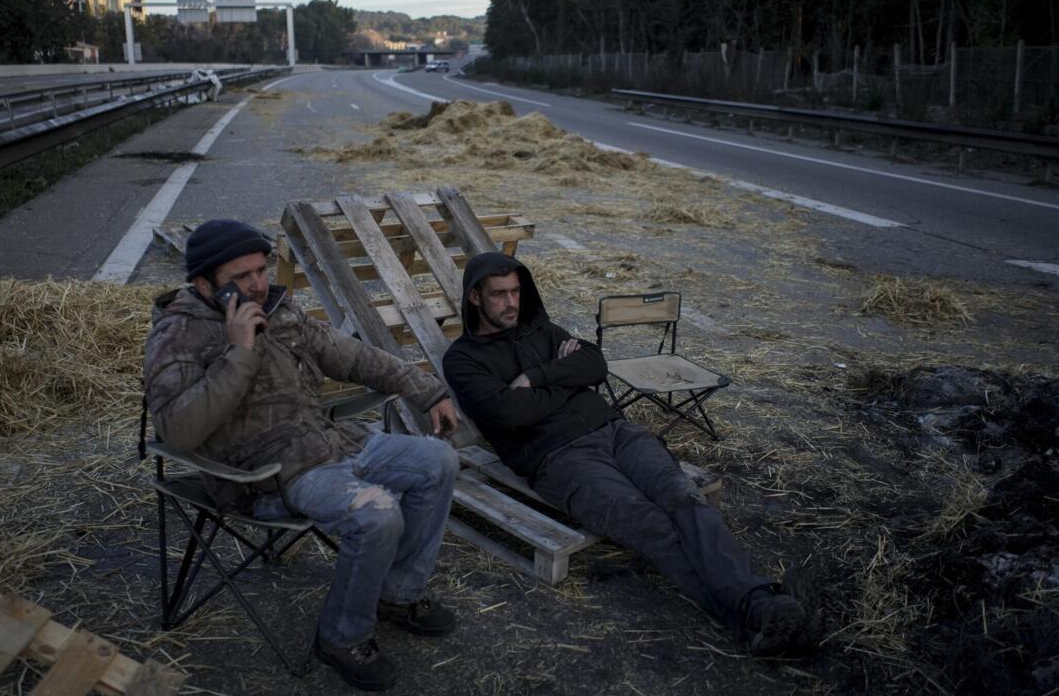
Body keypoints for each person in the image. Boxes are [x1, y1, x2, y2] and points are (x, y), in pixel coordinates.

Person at [442, 252, 813, 655]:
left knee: (682, 496)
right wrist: (569, 381)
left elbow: (595, 365)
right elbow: (510, 413)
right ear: (475, 297)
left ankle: (758, 608)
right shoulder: (463, 360)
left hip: (617, 432)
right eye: (499, 294)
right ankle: (757, 609)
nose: (511, 303)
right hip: (561, 459)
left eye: (515, 291)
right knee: (649, 524)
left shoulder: (542, 330)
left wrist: (536, 377)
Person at [144, 219, 460, 691]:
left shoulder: (281, 311)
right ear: (204, 284)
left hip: (329, 442)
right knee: (377, 514)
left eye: (261, 269)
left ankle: (396, 595)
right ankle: (341, 637)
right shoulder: (177, 335)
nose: (258, 284)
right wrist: (239, 352)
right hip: (264, 476)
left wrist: (426, 389)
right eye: (241, 277)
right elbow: (178, 431)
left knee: (439, 461)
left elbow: (352, 356)